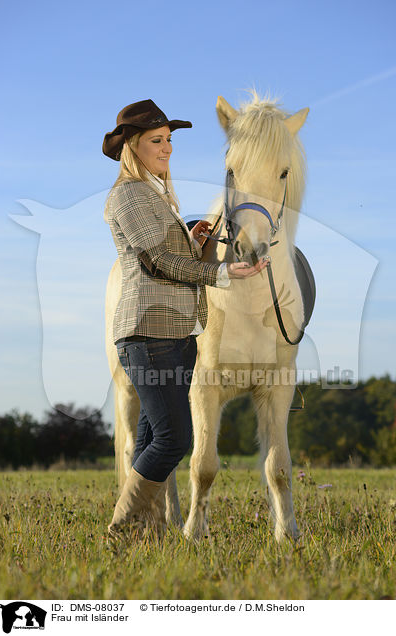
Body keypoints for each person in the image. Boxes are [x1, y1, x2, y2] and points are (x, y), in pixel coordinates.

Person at [102, 99, 267, 539]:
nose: (167, 148)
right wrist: (221, 271)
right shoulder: (129, 194)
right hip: (148, 333)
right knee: (173, 440)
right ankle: (122, 529)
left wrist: (192, 244)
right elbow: (156, 261)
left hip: (173, 335)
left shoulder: (157, 194)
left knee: (154, 434)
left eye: (169, 140)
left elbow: (169, 256)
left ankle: (146, 533)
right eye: (157, 140)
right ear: (133, 146)